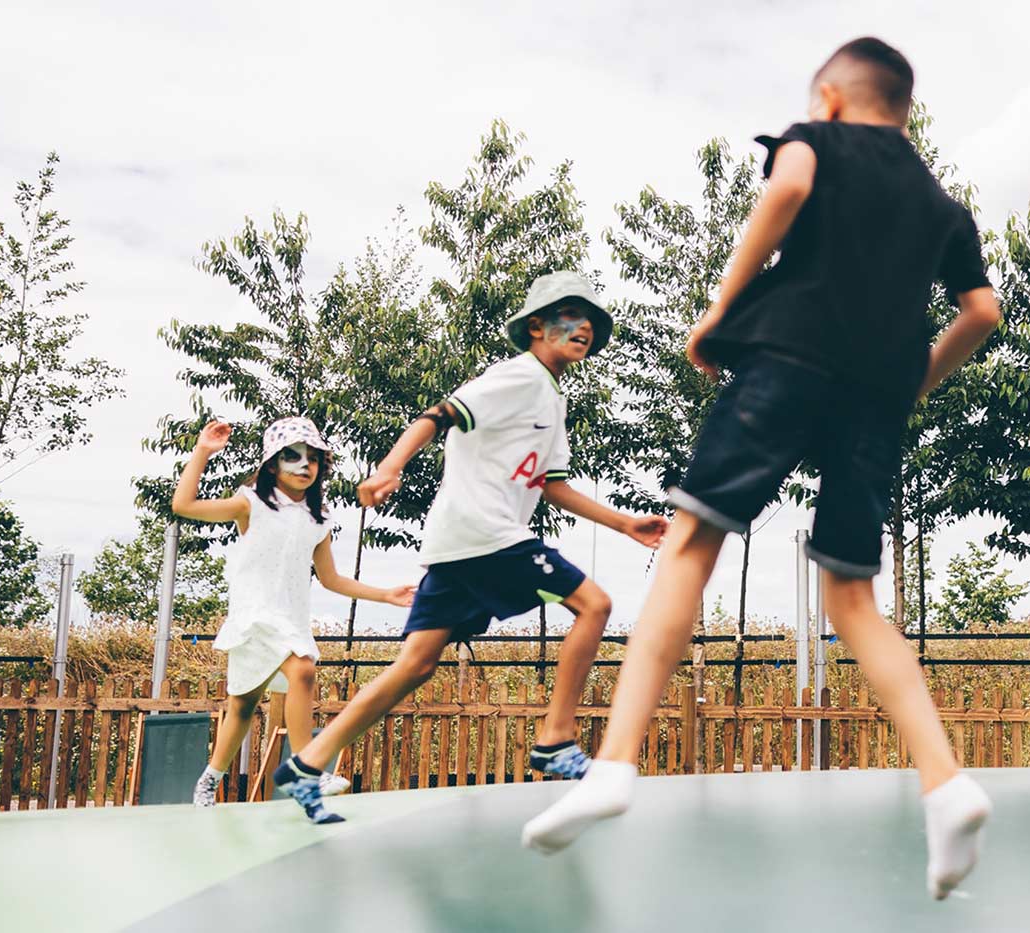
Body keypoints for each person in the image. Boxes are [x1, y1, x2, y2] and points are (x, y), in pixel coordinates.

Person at [520, 37, 1004, 900]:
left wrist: (717, 311)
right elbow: (981, 311)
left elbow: (785, 189)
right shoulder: (943, 205)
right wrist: (913, 382)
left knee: (691, 544)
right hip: (876, 393)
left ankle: (616, 766)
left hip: (789, 357)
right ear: (904, 107)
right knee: (853, 599)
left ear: (830, 96)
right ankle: (946, 781)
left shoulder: (812, 138)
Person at [272, 271, 669, 824]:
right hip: (487, 534)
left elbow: (552, 486)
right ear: (536, 327)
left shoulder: (551, 398)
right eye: (568, 316)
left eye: (591, 324)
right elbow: (438, 415)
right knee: (593, 605)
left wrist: (625, 523)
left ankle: (307, 764)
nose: (582, 328)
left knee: (415, 664)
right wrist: (389, 469)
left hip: (459, 544)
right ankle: (555, 739)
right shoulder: (517, 377)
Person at [172, 416, 417, 807]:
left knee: (277, 685)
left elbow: (332, 579)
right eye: (292, 457)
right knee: (254, 699)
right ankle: (241, 778)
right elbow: (183, 505)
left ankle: (280, 774)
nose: (305, 466)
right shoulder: (249, 504)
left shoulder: (318, 518)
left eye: (312, 459)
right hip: (254, 615)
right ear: (272, 464)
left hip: (289, 618)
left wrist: (385, 594)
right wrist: (203, 450)